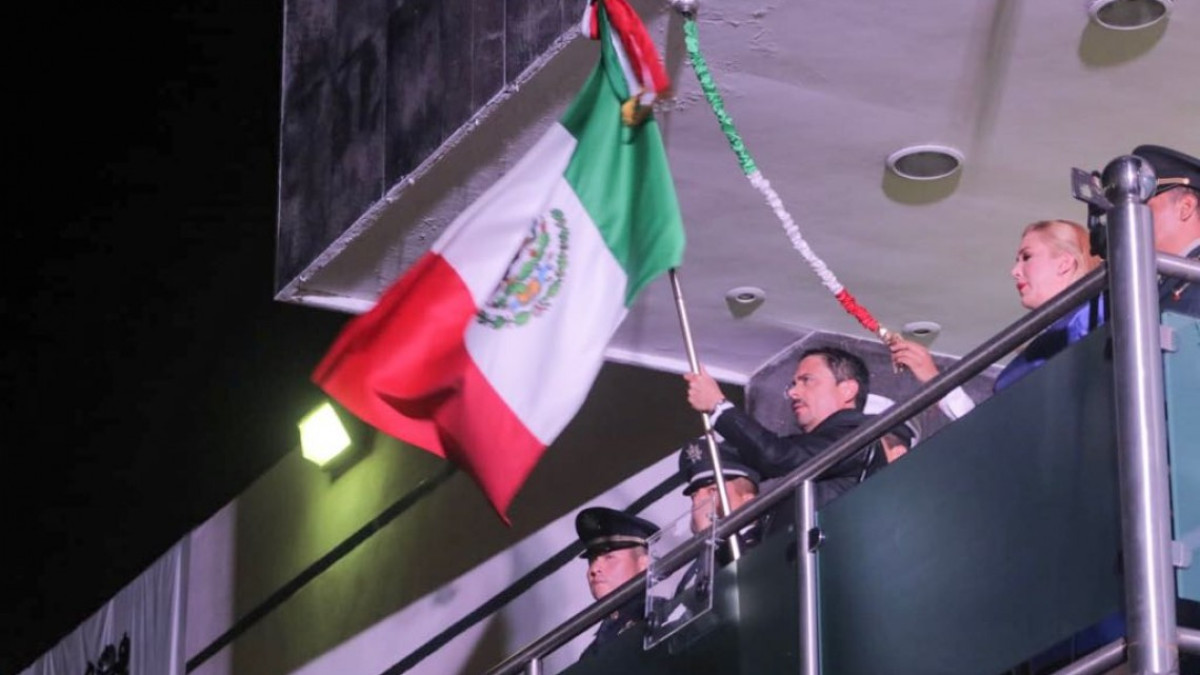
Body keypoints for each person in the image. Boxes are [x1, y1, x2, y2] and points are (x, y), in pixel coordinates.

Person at [889, 219, 1102, 419]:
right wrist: (933, 380)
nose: (1014, 271)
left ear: (1064, 263)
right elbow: (994, 431)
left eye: (1027, 257)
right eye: (1017, 261)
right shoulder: (1051, 339)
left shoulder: (1094, 316)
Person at [684, 346, 911, 508]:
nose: (793, 392)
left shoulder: (859, 436)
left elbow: (777, 456)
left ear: (847, 390)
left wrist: (718, 406)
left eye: (807, 380)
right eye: (793, 383)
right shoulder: (810, 445)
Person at [574, 506, 659, 660]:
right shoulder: (589, 656)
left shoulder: (661, 617)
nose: (594, 569)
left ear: (643, 564)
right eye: (592, 560)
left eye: (609, 557)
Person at [1134, 144, 1199, 317]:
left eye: (1143, 207)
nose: (1133, 219)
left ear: (1186, 207)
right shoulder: (1168, 280)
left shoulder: (1192, 278)